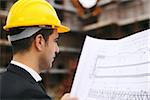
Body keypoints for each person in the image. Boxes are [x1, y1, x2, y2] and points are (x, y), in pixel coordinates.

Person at [0, 0, 78, 100]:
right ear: (39, 42)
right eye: (55, 40)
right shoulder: (30, 93)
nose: (57, 49)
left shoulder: (4, 84)